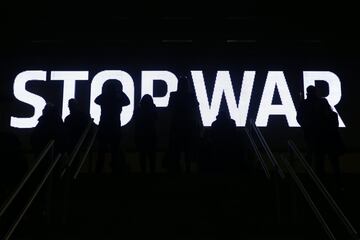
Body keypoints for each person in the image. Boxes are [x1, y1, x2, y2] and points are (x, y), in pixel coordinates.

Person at [296, 85, 345, 186]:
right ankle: (337, 183)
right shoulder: (322, 103)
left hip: (316, 138)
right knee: (331, 162)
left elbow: (300, 118)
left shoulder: (305, 104)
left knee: (319, 161)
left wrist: (307, 129)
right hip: (327, 138)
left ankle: (320, 183)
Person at [167, 76, 202, 173]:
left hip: (177, 126)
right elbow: (195, 109)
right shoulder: (191, 96)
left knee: (177, 149)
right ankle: (187, 168)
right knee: (187, 149)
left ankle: (177, 169)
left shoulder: (174, 95)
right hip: (188, 126)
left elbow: (170, 109)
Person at [95, 80, 130, 174]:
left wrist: (105, 93)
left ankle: (98, 171)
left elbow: (96, 100)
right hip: (115, 128)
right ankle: (115, 171)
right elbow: (127, 101)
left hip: (104, 127)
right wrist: (120, 92)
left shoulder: (104, 98)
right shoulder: (117, 99)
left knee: (102, 152)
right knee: (115, 152)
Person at [134, 94, 157, 174]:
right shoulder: (153, 109)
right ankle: (152, 172)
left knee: (142, 155)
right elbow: (156, 118)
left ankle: (143, 172)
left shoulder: (138, 110)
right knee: (151, 155)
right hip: (151, 134)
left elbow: (135, 123)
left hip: (141, 135)